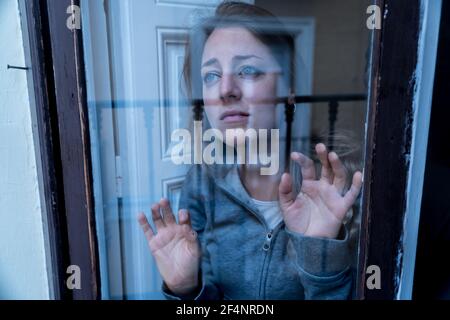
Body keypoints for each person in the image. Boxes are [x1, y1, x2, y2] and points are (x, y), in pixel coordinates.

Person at [137, 1, 363, 300]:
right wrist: (186, 289)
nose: (225, 89)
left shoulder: (336, 190)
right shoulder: (201, 182)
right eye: (211, 76)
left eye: (248, 69)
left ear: (290, 89)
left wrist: (321, 258)